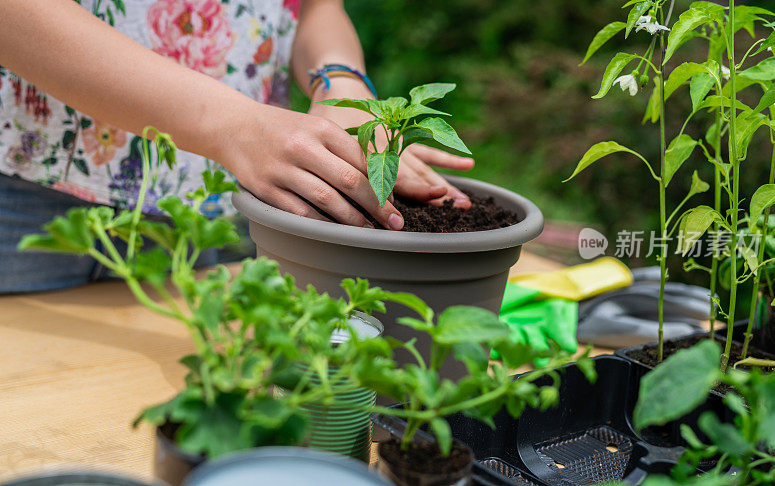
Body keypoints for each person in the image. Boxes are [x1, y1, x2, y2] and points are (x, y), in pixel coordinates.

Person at [0, 0, 474, 293]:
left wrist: (342, 81)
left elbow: (316, 8)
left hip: (204, 203)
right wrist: (235, 126)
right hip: (32, 188)